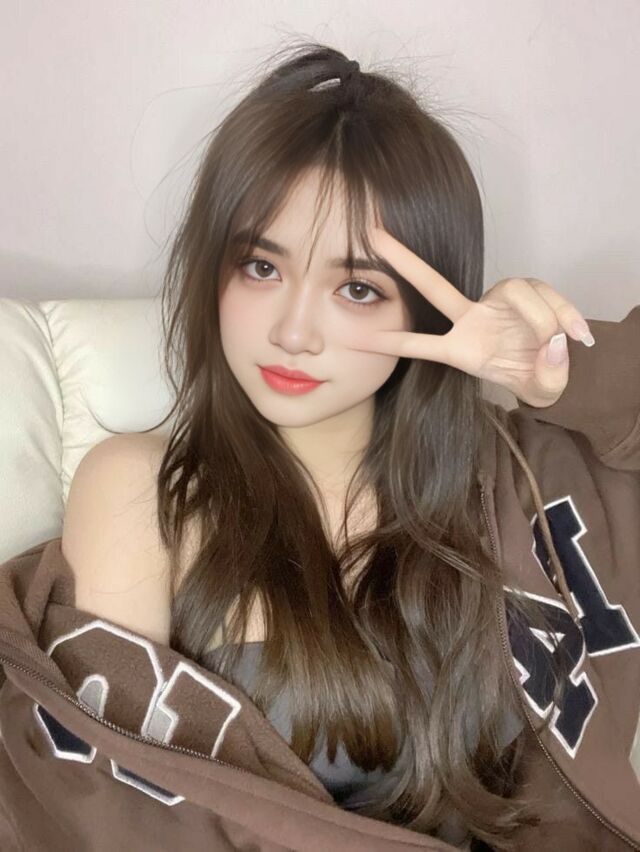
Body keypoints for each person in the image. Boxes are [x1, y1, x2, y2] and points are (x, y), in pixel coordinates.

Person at [1, 40, 638, 851]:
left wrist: (557, 376)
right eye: (260, 267)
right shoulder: (145, 493)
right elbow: (118, 808)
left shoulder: (511, 480)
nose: (294, 332)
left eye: (357, 288)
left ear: (427, 308)